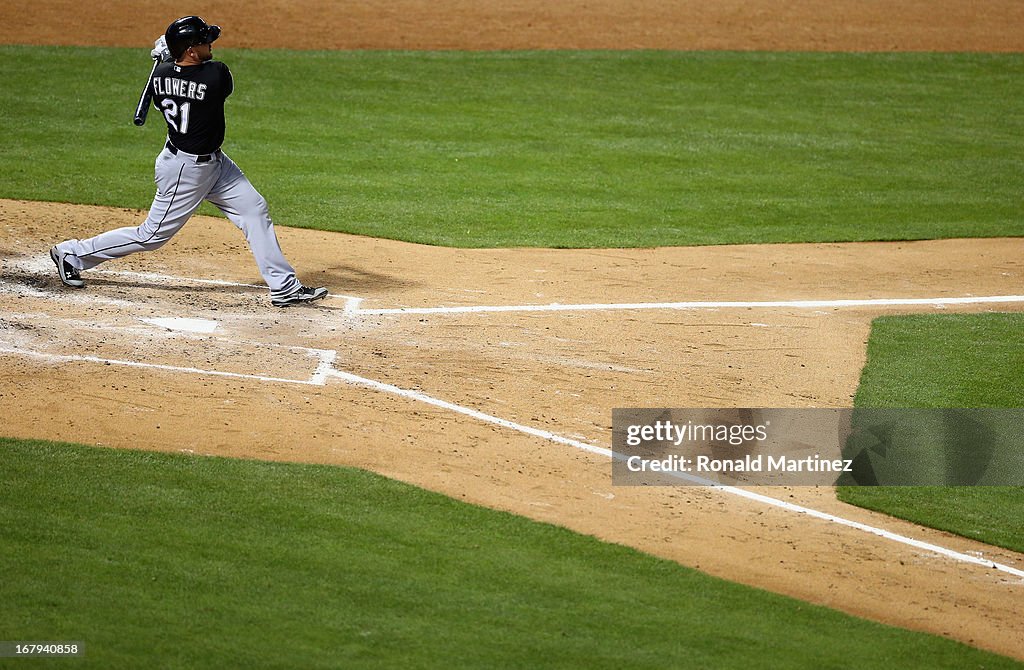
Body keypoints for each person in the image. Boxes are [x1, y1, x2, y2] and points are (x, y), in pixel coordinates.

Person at [50, 16, 327, 308]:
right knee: (152, 235)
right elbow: (212, 81)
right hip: (186, 171)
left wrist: (167, 59)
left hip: (214, 165)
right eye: (204, 41)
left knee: (254, 210)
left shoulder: (159, 77)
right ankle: (73, 254)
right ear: (192, 50)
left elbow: (169, 86)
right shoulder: (217, 75)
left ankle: (283, 287)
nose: (211, 44)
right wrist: (170, 55)